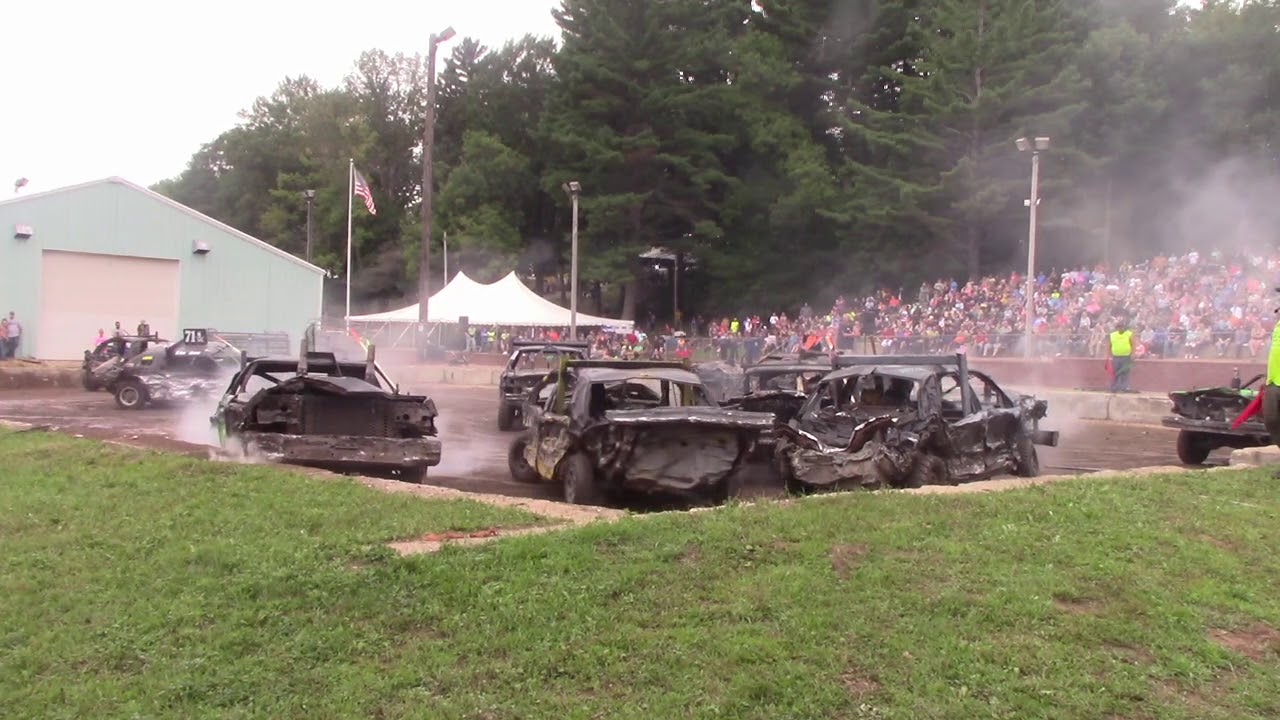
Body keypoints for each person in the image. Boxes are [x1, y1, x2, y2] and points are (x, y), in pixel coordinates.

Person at [1108, 317, 1135, 392]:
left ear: (1124, 327)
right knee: (1115, 372)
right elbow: (1109, 345)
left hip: (1126, 356)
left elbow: (1133, 344)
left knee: (1125, 372)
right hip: (1116, 356)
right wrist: (1109, 355)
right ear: (1117, 327)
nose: (1121, 328)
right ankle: (1114, 387)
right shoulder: (1113, 335)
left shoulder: (1129, 334)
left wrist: (1133, 354)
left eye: (1122, 326)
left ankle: (1124, 387)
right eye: (1119, 327)